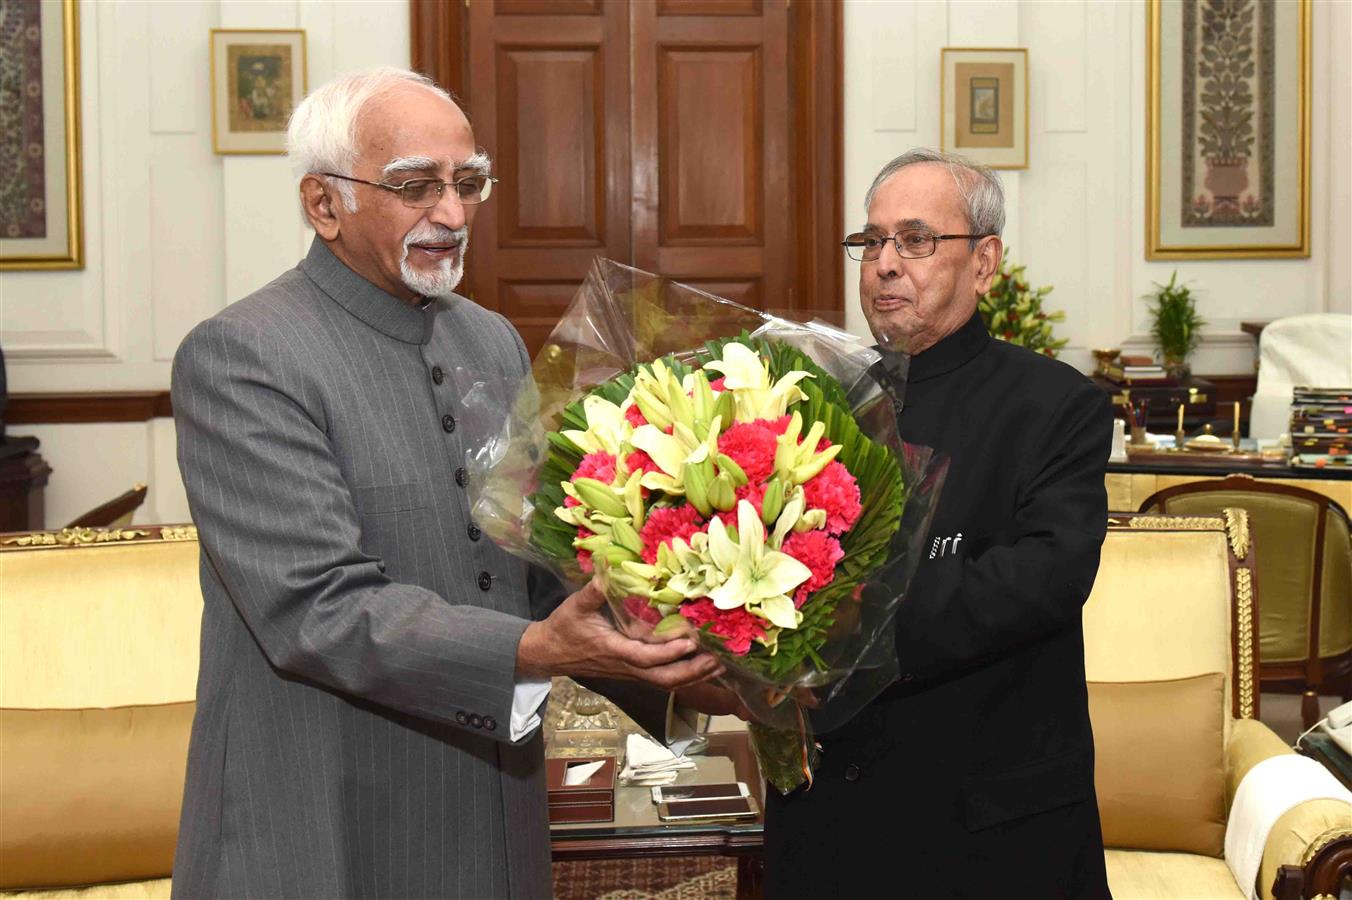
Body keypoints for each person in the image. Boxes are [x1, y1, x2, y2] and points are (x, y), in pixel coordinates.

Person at [170, 67, 721, 899]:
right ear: (324, 205)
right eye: (414, 186)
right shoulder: (243, 355)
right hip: (321, 807)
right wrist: (534, 648)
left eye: (468, 183)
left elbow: (534, 564)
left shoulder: (491, 341)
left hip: (487, 803)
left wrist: (683, 630)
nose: (454, 215)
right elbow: (315, 608)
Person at [761, 149, 1114, 898]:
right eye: (872, 240)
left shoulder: (1054, 405)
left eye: (916, 240)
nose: (886, 264)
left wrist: (843, 622)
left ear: (984, 264)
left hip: (986, 831)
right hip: (829, 822)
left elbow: (1041, 580)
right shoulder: (805, 402)